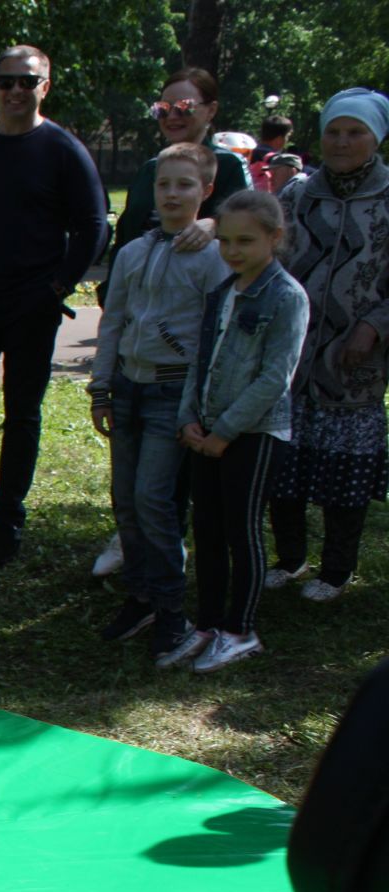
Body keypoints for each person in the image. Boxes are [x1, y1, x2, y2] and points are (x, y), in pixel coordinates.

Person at [0, 45, 108, 564]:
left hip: (33, 305)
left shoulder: (62, 148)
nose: (15, 91)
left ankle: (8, 523)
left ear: (44, 87)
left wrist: (57, 287)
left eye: (26, 82)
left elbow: (94, 226)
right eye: (6, 81)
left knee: (22, 414)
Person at [88, 142, 232, 666]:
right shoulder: (132, 253)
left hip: (173, 394)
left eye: (185, 185)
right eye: (164, 184)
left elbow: (215, 335)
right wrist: (101, 387)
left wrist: (195, 403)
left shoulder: (213, 255)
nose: (172, 194)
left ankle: (173, 614)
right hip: (128, 388)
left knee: (153, 498)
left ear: (207, 192)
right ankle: (141, 596)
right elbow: (114, 322)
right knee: (125, 498)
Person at [178, 189, 309, 671]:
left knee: (241, 528)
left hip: (252, 435)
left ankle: (240, 629)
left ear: (274, 238)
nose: (233, 251)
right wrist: (188, 420)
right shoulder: (221, 292)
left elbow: (276, 377)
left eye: (246, 242)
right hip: (205, 430)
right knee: (207, 528)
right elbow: (201, 359)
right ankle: (209, 622)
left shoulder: (287, 296)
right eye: (226, 241)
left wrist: (226, 431)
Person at [268, 89, 389, 602]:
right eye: (334, 131)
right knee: (285, 462)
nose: (342, 141)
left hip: (356, 361)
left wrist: (374, 326)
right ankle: (291, 559)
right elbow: (265, 251)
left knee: (346, 466)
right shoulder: (298, 194)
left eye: (355, 132)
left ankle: (336, 570)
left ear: (377, 138)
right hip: (292, 356)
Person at [107, 70, 251, 275]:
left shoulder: (228, 165)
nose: (172, 117)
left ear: (211, 110)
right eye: (163, 109)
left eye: (185, 107)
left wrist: (215, 224)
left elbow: (251, 224)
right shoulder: (149, 170)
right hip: (139, 296)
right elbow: (125, 238)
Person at [250, 115, 292, 189]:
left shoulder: (247, 154)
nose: (287, 140)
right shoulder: (279, 161)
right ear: (279, 139)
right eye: (287, 136)